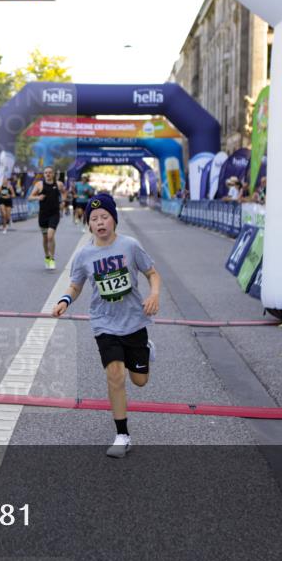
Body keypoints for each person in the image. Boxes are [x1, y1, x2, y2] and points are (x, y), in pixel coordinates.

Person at [53, 193, 161, 458]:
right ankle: (122, 435)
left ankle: (145, 348)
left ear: (114, 219)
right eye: (94, 219)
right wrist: (65, 300)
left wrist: (154, 294)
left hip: (133, 321)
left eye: (104, 217)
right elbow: (75, 285)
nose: (100, 222)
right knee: (115, 375)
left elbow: (152, 273)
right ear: (88, 224)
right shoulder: (84, 255)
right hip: (104, 323)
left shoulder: (130, 246)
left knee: (140, 381)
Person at [28, 166, 66, 270]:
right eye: (46, 173)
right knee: (45, 238)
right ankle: (47, 257)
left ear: (53, 174)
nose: (48, 174)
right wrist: (37, 197)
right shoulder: (39, 184)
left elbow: (64, 192)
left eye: (50, 172)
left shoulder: (59, 184)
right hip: (43, 215)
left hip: (54, 214)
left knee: (50, 236)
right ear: (44, 174)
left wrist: (63, 201)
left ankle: (52, 259)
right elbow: (30, 197)